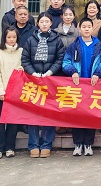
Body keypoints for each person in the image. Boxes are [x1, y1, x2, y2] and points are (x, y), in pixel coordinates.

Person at [62, 18, 101, 156]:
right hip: (77, 86)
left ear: (92, 28)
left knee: (90, 114)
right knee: (77, 115)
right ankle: (78, 144)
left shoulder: (100, 45)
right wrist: (73, 71)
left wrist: (98, 73)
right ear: (79, 28)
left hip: (93, 85)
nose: (87, 29)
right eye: (84, 26)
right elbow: (66, 62)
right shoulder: (74, 46)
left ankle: (88, 144)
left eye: (89, 26)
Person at [21, 12, 65, 158]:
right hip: (33, 81)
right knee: (33, 113)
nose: (44, 24)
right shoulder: (30, 40)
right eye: (42, 22)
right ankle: (33, 144)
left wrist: (49, 73)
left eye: (47, 21)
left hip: (50, 81)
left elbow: (60, 59)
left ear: (51, 23)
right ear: (38, 24)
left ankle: (46, 144)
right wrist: (33, 73)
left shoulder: (57, 40)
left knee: (48, 113)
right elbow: (25, 59)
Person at [0, 26, 22, 159]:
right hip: (1, 95)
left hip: (15, 95)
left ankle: (10, 147)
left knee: (13, 123)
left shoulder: (21, 52)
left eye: (14, 37)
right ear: (4, 38)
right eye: (9, 37)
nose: (11, 39)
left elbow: (24, 68)